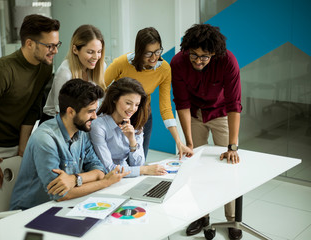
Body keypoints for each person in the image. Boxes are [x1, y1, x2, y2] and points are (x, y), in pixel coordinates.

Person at [10, 79, 129, 210]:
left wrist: (75, 179)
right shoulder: (44, 139)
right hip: (29, 212)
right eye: (90, 111)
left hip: (62, 207)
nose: (95, 117)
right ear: (71, 111)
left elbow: (99, 170)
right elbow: (60, 194)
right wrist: (105, 182)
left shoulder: (82, 131)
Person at [170, 24, 243, 240]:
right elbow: (181, 103)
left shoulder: (228, 61)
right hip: (193, 113)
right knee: (194, 166)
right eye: (194, 55)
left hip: (221, 113)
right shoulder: (178, 62)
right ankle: (201, 216)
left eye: (205, 56)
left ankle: (232, 220)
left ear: (214, 53)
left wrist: (232, 146)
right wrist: (189, 143)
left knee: (230, 166)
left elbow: (234, 104)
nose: (198, 60)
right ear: (187, 49)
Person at [0, 14, 61, 190]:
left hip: (16, 143)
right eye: (49, 46)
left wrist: (23, 145)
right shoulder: (0, 71)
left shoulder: (45, 67)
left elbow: (33, 107)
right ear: (29, 43)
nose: (55, 51)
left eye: (57, 45)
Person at [104, 27, 192, 159]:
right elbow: (99, 87)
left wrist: (178, 142)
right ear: (139, 51)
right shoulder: (122, 63)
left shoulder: (164, 69)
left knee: (139, 160)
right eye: (148, 53)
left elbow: (166, 107)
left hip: (143, 116)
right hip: (119, 114)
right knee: (116, 161)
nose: (154, 58)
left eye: (157, 51)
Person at [90, 77, 167, 177]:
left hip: (127, 177)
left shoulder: (135, 123)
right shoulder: (98, 126)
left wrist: (132, 140)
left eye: (137, 104)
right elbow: (109, 169)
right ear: (114, 99)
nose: (132, 109)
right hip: (106, 179)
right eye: (128, 103)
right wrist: (145, 169)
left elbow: (139, 164)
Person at [41, 24, 106, 123]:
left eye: (99, 51)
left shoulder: (101, 66)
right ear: (75, 49)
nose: (96, 57)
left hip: (83, 120)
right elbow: (61, 113)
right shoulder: (65, 73)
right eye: (90, 52)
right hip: (56, 121)